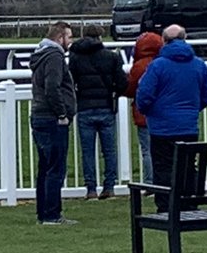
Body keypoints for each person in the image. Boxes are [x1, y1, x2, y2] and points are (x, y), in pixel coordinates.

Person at [135, 24, 207, 213]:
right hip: (188, 127)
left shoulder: (157, 66)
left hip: (162, 128)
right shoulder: (199, 65)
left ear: (164, 40)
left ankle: (166, 207)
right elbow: (206, 95)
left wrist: (150, 112)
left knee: (163, 168)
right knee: (188, 167)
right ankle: (189, 205)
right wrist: (191, 110)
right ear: (184, 38)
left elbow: (144, 95)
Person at [68, 24, 127, 200]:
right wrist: (114, 91)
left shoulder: (76, 56)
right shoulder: (112, 57)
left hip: (85, 107)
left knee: (87, 151)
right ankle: (109, 187)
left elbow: (71, 81)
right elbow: (123, 83)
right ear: (100, 37)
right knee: (109, 151)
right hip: (106, 107)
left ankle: (91, 189)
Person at [30, 21, 77, 225]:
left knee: (45, 167)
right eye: (69, 36)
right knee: (55, 169)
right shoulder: (55, 56)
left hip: (40, 116)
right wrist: (62, 113)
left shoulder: (41, 55)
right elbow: (52, 87)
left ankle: (44, 213)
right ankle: (52, 214)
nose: (71, 41)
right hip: (51, 118)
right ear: (60, 38)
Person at [124, 31, 163, 186]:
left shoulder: (139, 66)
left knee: (147, 151)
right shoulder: (163, 62)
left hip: (144, 115)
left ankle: (150, 182)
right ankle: (162, 181)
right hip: (162, 116)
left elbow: (130, 88)